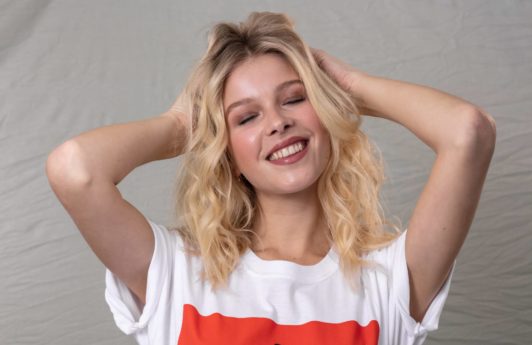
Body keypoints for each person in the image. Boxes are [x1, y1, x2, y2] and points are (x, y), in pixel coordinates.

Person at [46, 11, 496, 345]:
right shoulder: (176, 272)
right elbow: (75, 169)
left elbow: (468, 132)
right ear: (228, 153)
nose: (277, 123)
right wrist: (185, 123)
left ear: (325, 114)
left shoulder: (389, 279)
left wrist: (351, 87)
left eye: (296, 99)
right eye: (246, 119)